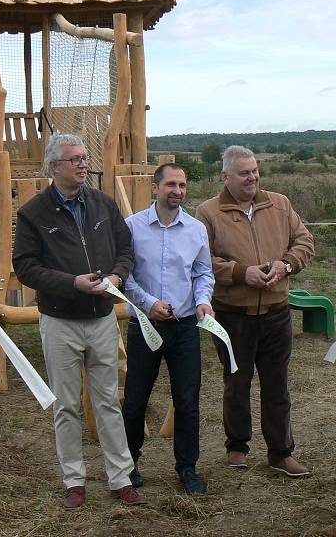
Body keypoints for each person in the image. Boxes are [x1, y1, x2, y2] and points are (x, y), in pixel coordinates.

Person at [12, 133, 146, 510]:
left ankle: (120, 478)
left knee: (108, 401)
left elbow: (125, 249)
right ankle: (74, 480)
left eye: (85, 158)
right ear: (54, 167)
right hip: (60, 322)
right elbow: (25, 267)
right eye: (74, 159)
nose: (82, 164)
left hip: (103, 319)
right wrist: (72, 284)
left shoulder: (103, 204)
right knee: (66, 405)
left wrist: (117, 277)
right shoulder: (34, 213)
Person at [196, 145, 315, 478]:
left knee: (277, 386)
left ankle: (280, 453)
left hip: (277, 312)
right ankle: (237, 446)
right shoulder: (207, 213)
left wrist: (286, 265)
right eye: (244, 172)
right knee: (237, 383)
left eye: (255, 170)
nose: (252, 177)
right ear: (225, 177)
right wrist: (239, 272)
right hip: (232, 315)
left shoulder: (279, 203)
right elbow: (201, 260)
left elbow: (304, 242)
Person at [121, 163, 215, 495]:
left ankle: (187, 468)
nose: (178, 191)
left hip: (185, 327)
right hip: (145, 325)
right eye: (171, 184)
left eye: (183, 185)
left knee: (187, 401)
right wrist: (148, 303)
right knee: (135, 400)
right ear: (155, 188)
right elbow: (125, 275)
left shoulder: (196, 230)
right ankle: (128, 466)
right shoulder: (131, 227)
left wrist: (204, 300)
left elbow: (203, 273)